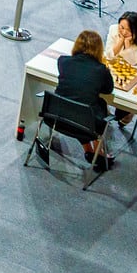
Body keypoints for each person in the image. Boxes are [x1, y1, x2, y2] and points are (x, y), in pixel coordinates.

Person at [42, 29, 116, 170]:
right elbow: (108, 89)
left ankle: (89, 150)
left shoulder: (63, 61)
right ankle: (97, 151)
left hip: (55, 117)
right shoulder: (101, 70)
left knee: (81, 103)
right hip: (84, 126)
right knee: (97, 104)